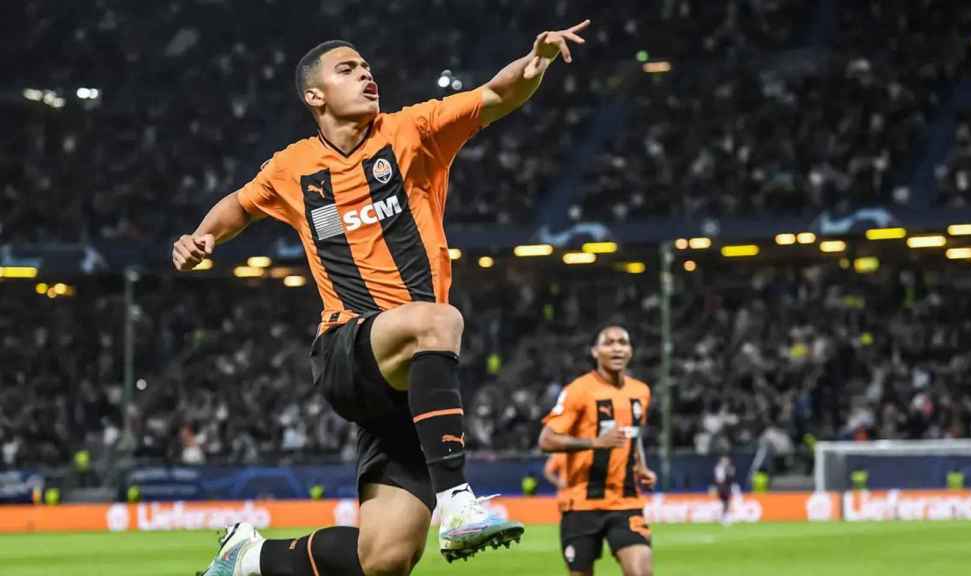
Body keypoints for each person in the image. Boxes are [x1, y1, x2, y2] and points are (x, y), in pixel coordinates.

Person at [176, 19, 592, 576]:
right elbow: (240, 204)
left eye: (367, 67)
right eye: (347, 70)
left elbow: (495, 94)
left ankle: (251, 557)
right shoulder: (291, 167)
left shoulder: (413, 131)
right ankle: (458, 501)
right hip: (347, 348)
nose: (366, 75)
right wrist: (204, 236)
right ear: (315, 95)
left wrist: (535, 63)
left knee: (384, 560)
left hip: (402, 386)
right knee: (439, 320)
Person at [537, 326, 656, 576]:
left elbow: (635, 433)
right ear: (595, 351)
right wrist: (594, 443)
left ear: (630, 351)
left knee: (641, 572)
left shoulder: (641, 392)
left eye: (622, 342)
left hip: (625, 501)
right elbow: (547, 440)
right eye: (608, 343)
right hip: (581, 504)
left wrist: (641, 465)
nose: (616, 348)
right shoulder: (578, 390)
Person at [713, 456, 738, 525]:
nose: (726, 462)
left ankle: (725, 517)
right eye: (725, 461)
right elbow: (721, 479)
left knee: (726, 502)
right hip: (723, 487)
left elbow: (731, 476)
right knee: (726, 502)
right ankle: (725, 517)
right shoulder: (721, 468)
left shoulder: (723, 468)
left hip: (724, 486)